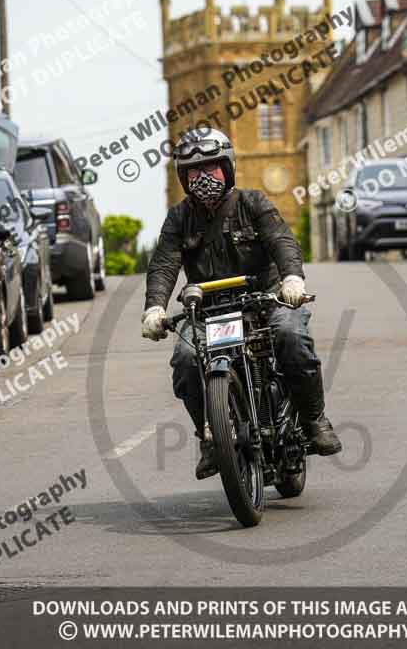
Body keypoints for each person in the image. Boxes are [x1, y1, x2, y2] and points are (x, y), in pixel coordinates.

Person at [141, 128, 342, 479]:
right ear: (183, 178)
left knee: (291, 337)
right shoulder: (178, 219)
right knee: (187, 359)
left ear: (229, 168)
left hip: (266, 301)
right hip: (209, 310)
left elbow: (282, 241)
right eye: (193, 172)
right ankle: (211, 437)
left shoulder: (254, 203)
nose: (203, 178)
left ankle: (313, 419)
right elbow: (164, 263)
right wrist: (154, 307)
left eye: (211, 169)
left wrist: (292, 278)